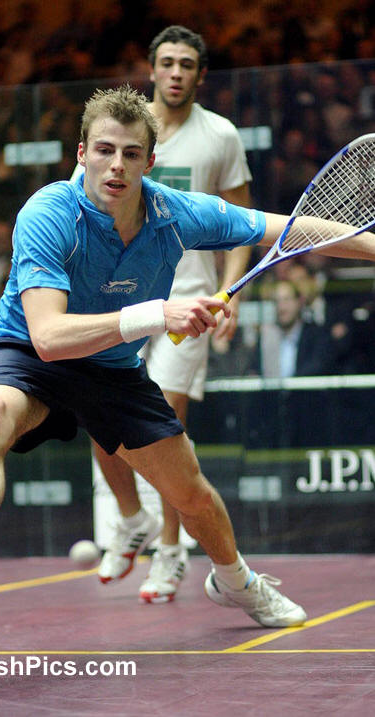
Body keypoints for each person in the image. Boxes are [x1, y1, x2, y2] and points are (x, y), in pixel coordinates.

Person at [0, 84, 375, 625]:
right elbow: (49, 337)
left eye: (131, 154)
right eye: (104, 150)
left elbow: (292, 230)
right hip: (28, 352)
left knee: (190, 494)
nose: (117, 165)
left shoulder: (175, 213)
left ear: (149, 162)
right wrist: (158, 314)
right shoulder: (49, 212)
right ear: (82, 153)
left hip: (112, 368)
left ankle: (237, 582)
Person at [91, 25, 253, 604]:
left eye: (187, 63)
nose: (176, 72)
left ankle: (169, 551)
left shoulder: (221, 135)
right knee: (100, 418)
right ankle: (130, 519)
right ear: (153, 69)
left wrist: (231, 293)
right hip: (122, 299)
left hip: (192, 306)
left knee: (162, 426)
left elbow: (242, 222)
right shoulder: (128, 132)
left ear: (201, 74)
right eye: (167, 62)